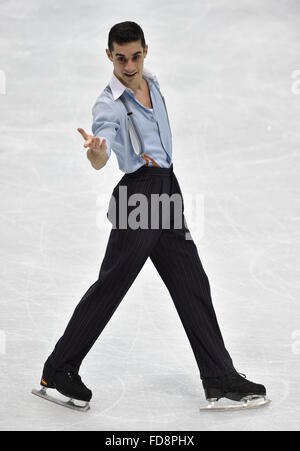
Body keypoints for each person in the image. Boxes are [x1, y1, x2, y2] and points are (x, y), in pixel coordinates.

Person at [35, 21, 268, 410]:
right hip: (139, 194)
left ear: (146, 51)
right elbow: (101, 154)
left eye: (136, 56)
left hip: (166, 188)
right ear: (109, 55)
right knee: (113, 284)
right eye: (121, 58)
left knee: (192, 280)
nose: (129, 65)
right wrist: (96, 150)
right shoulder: (108, 103)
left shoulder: (153, 83)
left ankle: (218, 376)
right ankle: (59, 369)